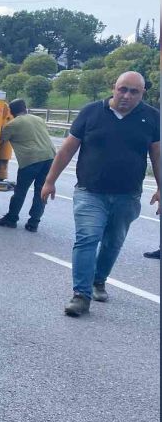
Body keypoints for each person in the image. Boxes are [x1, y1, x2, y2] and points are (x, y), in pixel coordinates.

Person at [41, 71, 161, 317]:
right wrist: (49, 181)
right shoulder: (91, 112)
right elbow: (66, 150)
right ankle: (81, 296)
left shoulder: (151, 118)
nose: (126, 95)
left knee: (113, 242)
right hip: (90, 192)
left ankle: (99, 280)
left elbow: (157, 155)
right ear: (113, 87)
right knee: (87, 238)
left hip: (127, 196)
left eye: (133, 91)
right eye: (122, 89)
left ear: (142, 94)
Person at [0, 98, 56, 231]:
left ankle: (11, 219)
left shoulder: (13, 124)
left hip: (31, 159)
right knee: (40, 191)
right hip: (50, 158)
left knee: (20, 191)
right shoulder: (38, 119)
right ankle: (33, 223)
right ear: (25, 108)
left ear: (11, 111)